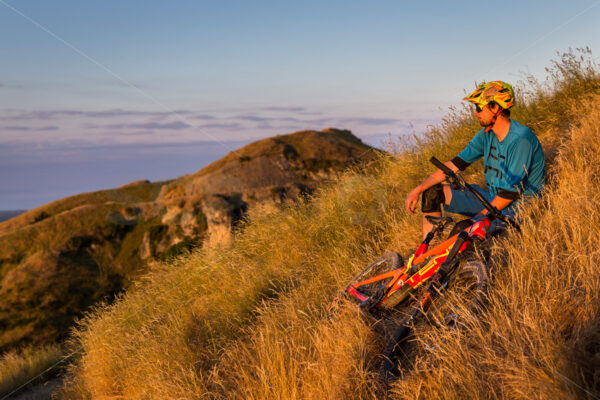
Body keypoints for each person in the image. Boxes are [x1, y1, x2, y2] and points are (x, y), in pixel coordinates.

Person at [405, 81, 545, 239]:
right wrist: (417, 190)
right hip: (492, 199)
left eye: (479, 108)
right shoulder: (487, 134)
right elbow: (453, 165)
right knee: (432, 192)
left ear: (496, 108)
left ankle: (446, 260)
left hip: (517, 209)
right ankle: (426, 253)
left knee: (463, 230)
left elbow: (510, 194)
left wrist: (478, 218)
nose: (475, 113)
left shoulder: (520, 139)